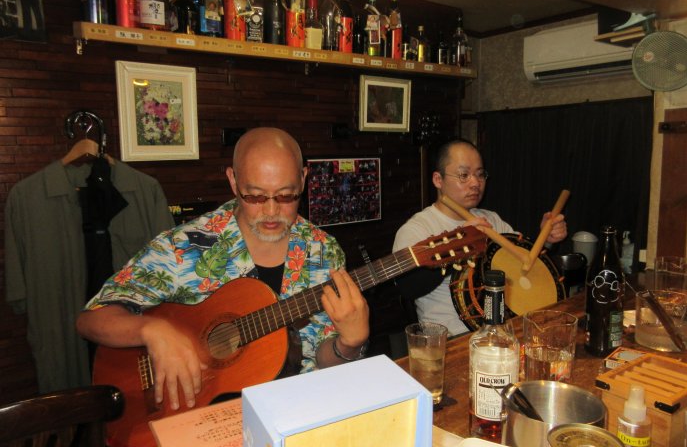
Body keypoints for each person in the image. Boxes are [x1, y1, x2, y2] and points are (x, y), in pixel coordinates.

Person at [77, 128, 369, 411]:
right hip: (201, 417)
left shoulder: (324, 252)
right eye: (254, 196)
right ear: (233, 180)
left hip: (298, 411)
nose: (270, 211)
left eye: (285, 196)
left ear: (303, 180)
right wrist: (151, 330)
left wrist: (349, 344)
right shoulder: (184, 247)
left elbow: (321, 359)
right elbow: (91, 319)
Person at [393, 138, 567, 336]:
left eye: (480, 174)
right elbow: (408, 287)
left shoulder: (491, 219)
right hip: (452, 338)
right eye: (464, 175)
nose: (475, 183)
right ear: (438, 180)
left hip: (504, 331)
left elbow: (523, 268)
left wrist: (546, 241)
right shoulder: (417, 229)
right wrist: (458, 243)